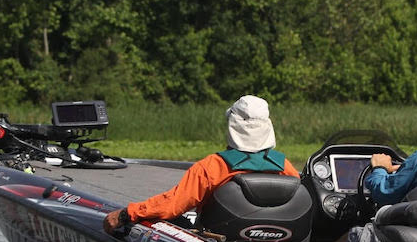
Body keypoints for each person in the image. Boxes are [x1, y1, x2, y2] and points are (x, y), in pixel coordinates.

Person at [103, 95, 300, 234]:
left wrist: (127, 213)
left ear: (232, 126)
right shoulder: (285, 168)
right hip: (278, 240)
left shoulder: (212, 167)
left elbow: (171, 205)